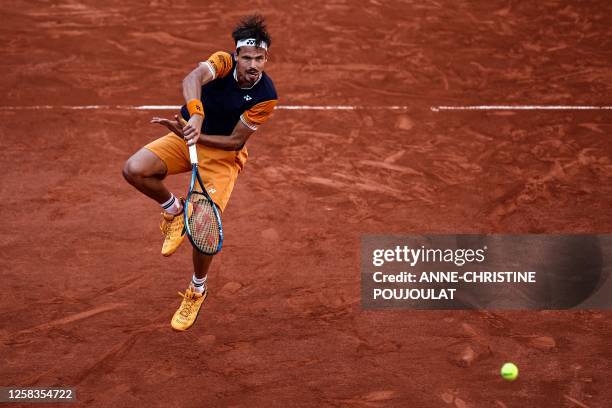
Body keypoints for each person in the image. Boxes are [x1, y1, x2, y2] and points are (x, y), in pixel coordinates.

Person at [122, 15, 278, 331]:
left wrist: (196, 135)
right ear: (236, 56)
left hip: (221, 155)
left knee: (204, 227)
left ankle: (197, 288)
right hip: (186, 133)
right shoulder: (220, 63)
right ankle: (174, 211)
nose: (252, 64)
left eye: (259, 58)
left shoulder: (266, 96)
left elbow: (235, 140)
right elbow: (191, 78)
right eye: (246, 57)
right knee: (135, 169)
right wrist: (194, 117)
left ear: (266, 59)